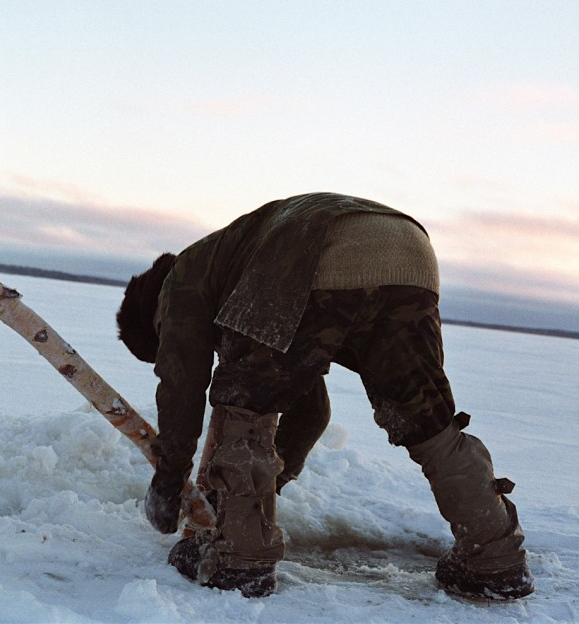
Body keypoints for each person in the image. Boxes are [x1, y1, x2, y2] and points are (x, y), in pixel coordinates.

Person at [116, 192, 534, 600]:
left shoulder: (181, 280)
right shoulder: (239, 277)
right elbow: (310, 409)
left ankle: (239, 560)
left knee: (245, 408)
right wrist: (255, 491)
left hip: (316, 250)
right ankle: (496, 563)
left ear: (153, 315)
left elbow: (182, 387)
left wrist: (168, 479)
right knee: (428, 420)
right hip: (409, 252)